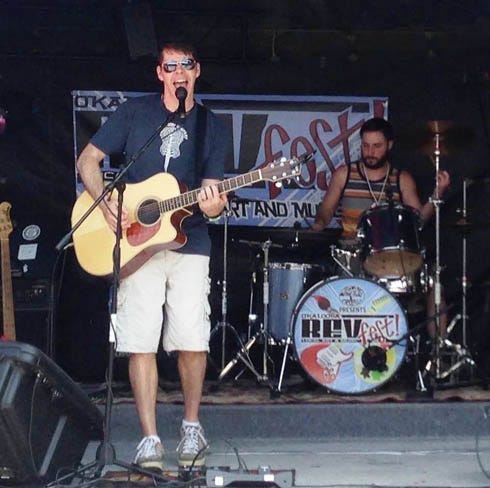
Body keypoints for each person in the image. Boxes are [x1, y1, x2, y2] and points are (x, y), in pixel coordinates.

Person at [76, 42, 230, 471]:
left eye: (186, 65)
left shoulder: (211, 126)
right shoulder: (135, 113)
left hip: (189, 241)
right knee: (139, 339)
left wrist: (214, 205)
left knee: (192, 337)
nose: (179, 72)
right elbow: (88, 160)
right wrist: (104, 201)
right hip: (136, 243)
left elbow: (211, 192)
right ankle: (149, 438)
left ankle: (192, 426)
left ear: (197, 71)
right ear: (160, 73)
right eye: (170, 66)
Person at [312, 117, 450, 340]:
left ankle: (438, 352)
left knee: (435, 288)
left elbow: (418, 221)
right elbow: (326, 209)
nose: (370, 152)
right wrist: (319, 224)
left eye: (377, 146)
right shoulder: (344, 174)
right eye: (366, 145)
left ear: (390, 145)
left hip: (392, 258)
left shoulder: (401, 178)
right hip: (351, 255)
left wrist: (437, 194)